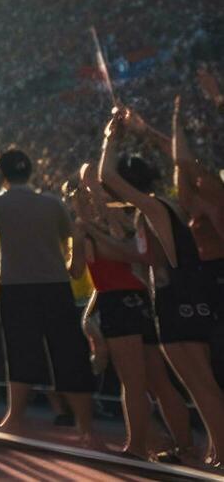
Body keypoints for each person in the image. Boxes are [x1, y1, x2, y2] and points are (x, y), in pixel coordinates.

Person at [99, 105, 224, 466]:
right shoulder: (154, 211)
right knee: (197, 386)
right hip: (174, 299)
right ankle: (216, 449)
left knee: (202, 384)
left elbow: (108, 174)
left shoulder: (155, 207)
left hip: (181, 299)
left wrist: (111, 139)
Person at [0, 147, 96, 445]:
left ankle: (15, 419)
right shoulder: (52, 203)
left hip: (16, 287)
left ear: (3, 176)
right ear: (30, 172)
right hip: (55, 285)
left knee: (20, 354)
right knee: (69, 354)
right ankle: (86, 428)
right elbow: (71, 236)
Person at [73, 161, 192, 462]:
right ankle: (185, 445)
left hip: (118, 301)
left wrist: (83, 236)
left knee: (134, 382)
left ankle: (138, 446)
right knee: (158, 381)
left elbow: (79, 269)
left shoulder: (97, 227)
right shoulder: (120, 220)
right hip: (139, 299)